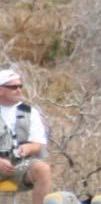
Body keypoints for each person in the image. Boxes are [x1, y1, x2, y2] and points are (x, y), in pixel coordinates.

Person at [0, 69, 52, 204]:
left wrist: (27, 148)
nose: (19, 90)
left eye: (20, 86)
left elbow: (38, 143)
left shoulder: (29, 112)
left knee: (43, 169)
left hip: (18, 166)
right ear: (1, 90)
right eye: (13, 87)